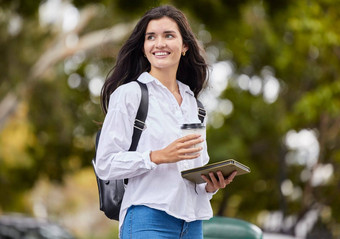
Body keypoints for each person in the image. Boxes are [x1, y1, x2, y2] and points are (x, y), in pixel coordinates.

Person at [95, 5, 237, 238]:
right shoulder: (130, 94)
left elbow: (195, 170)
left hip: (193, 224)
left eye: (168, 35)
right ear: (143, 48)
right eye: (151, 37)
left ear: (184, 46)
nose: (159, 43)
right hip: (148, 218)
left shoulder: (195, 106)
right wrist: (156, 156)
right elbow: (105, 163)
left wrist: (210, 185)